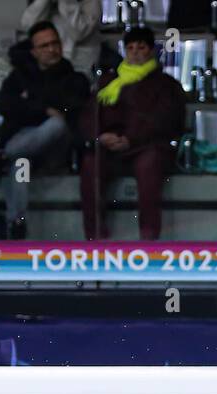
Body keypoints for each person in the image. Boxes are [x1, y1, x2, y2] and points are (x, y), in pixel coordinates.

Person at [0, 20, 90, 238]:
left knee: (56, 125)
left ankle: (0, 156)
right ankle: (17, 221)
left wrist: (27, 106)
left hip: (56, 147)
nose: (52, 49)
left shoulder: (75, 79)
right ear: (34, 51)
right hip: (25, 144)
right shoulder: (20, 77)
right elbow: (6, 104)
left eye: (55, 43)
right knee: (20, 163)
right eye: (44, 46)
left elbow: (68, 111)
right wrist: (43, 109)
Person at [79, 26, 187, 240]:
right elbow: (89, 115)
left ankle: (148, 238)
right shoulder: (108, 82)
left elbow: (166, 119)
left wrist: (131, 139)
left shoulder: (165, 84)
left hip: (147, 146)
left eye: (141, 47)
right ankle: (95, 237)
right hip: (110, 147)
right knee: (91, 165)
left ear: (150, 51)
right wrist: (100, 137)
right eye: (130, 47)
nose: (135, 52)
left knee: (149, 166)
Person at [19, 0, 103, 76]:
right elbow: (29, 26)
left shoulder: (92, 2)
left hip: (80, 62)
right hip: (48, 62)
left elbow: (79, 32)